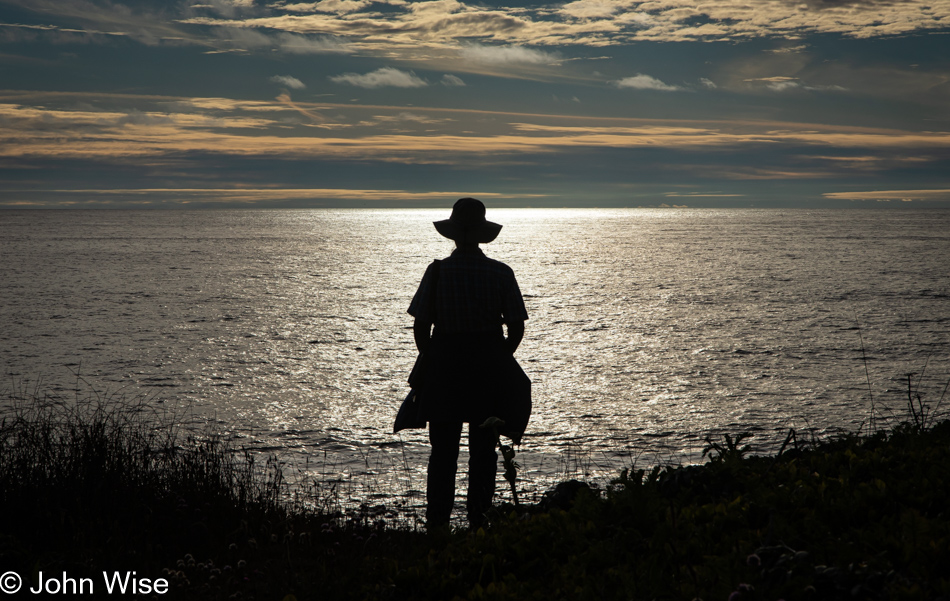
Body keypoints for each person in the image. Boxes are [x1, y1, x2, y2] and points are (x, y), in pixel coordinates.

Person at [407, 198, 529, 530]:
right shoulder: (502, 273)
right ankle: (479, 524)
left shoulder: (437, 272)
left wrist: (431, 359)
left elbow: (420, 327)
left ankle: (437, 527)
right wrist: (500, 359)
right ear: (481, 233)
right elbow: (516, 327)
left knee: (443, 453)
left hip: (445, 367)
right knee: (484, 452)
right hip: (488, 369)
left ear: (454, 235)